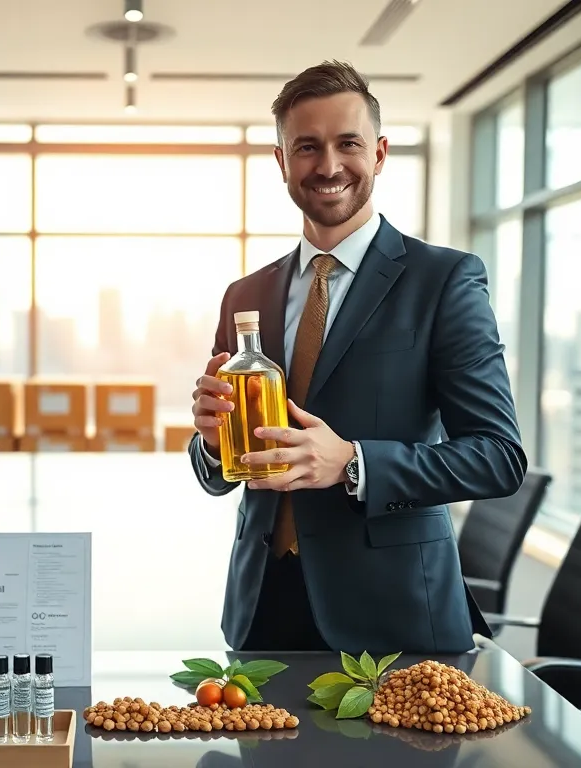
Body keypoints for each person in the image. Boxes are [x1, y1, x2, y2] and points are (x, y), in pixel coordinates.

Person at [187, 61, 526, 655]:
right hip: (263, 605)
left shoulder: (443, 281)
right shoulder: (245, 296)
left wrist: (353, 462)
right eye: (307, 147)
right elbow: (217, 472)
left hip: (392, 613)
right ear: (281, 161)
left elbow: (498, 457)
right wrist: (214, 444)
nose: (328, 166)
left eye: (348, 144)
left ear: (380, 153)